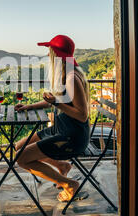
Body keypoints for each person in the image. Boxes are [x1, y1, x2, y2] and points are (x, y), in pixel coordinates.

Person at [14, 35, 90, 202]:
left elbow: (83, 115)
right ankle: (62, 166)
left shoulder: (71, 78)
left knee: (21, 158)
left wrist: (56, 103)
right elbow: (57, 100)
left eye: (50, 52)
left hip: (72, 136)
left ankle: (69, 184)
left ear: (57, 54)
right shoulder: (65, 73)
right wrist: (30, 106)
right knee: (19, 146)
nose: (48, 55)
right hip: (61, 129)